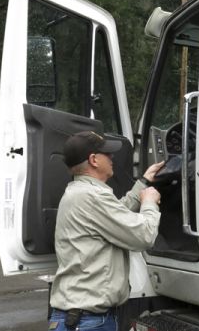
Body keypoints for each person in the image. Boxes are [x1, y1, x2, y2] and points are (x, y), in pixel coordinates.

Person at [47, 131, 165, 331]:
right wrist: (149, 203)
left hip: (78, 318)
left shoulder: (79, 192)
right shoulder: (92, 196)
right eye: (107, 153)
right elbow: (144, 235)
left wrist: (144, 182)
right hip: (89, 322)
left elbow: (116, 216)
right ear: (93, 159)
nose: (112, 158)